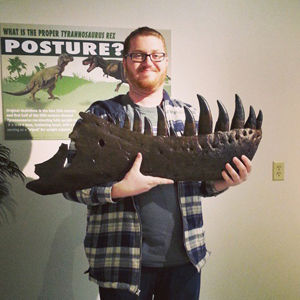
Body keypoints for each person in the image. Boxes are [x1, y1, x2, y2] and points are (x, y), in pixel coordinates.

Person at [63, 27, 252, 300]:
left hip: (185, 260)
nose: (148, 62)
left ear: (165, 62)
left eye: (156, 55)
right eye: (138, 55)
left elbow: (199, 185)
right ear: (125, 62)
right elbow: (71, 184)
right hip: (121, 262)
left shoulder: (190, 117)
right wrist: (118, 190)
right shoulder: (100, 116)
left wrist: (225, 181)